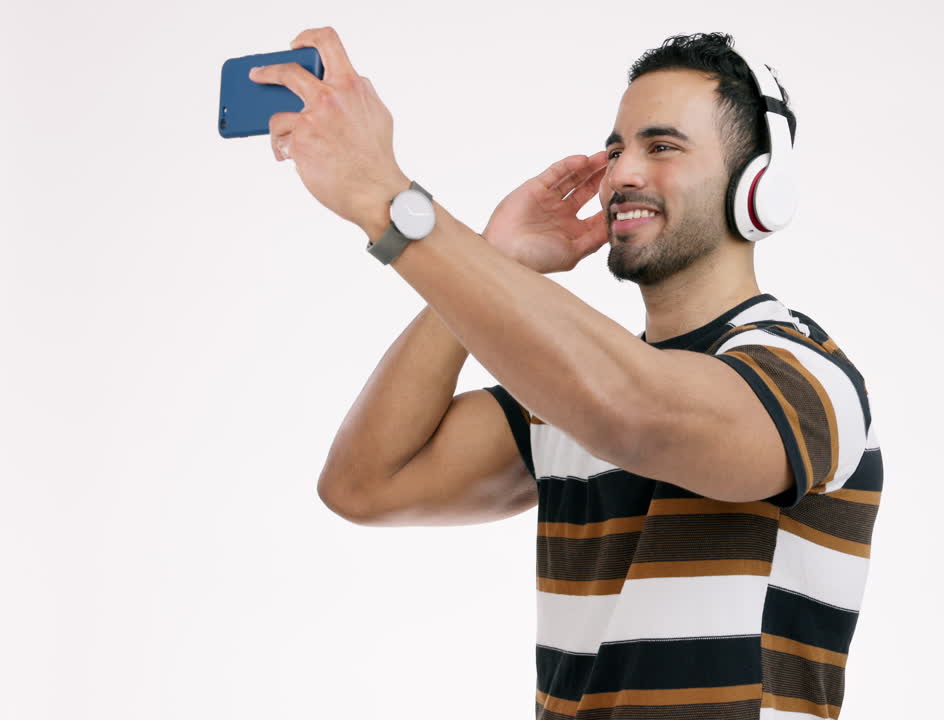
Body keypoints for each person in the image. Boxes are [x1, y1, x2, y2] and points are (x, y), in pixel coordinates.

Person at [251, 26, 883, 720]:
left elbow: (637, 417)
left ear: (759, 184)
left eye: (662, 146)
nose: (623, 174)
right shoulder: (567, 398)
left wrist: (391, 202)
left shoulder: (806, 375)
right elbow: (363, 483)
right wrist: (497, 257)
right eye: (616, 151)